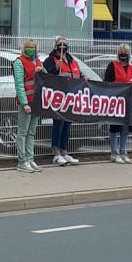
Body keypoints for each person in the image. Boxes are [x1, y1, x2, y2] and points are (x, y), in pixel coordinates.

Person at [43, 36, 83, 165]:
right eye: (60, 44)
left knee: (67, 125)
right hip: (58, 99)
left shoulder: (72, 60)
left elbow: (77, 75)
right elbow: (45, 77)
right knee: (58, 125)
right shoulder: (50, 60)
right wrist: (55, 68)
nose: (62, 46)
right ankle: (56, 153)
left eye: (65, 44)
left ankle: (64, 151)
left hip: (71, 99)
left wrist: (83, 79)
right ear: (55, 46)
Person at [12, 39, 44, 172]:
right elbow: (19, 84)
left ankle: (30, 159)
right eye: (28, 47)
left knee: (31, 132)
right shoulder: (19, 62)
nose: (31, 49)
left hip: (36, 101)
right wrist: (24, 103)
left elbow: (46, 77)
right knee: (23, 131)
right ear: (24, 48)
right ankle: (22, 161)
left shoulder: (38, 61)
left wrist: (41, 70)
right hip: (26, 101)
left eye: (33, 47)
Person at [101, 44, 132, 164]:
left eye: (125, 52)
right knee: (115, 126)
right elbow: (107, 82)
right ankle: (113, 152)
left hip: (128, 101)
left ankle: (123, 151)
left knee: (126, 126)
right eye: (121, 52)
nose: (123, 54)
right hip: (115, 101)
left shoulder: (131, 67)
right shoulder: (113, 65)